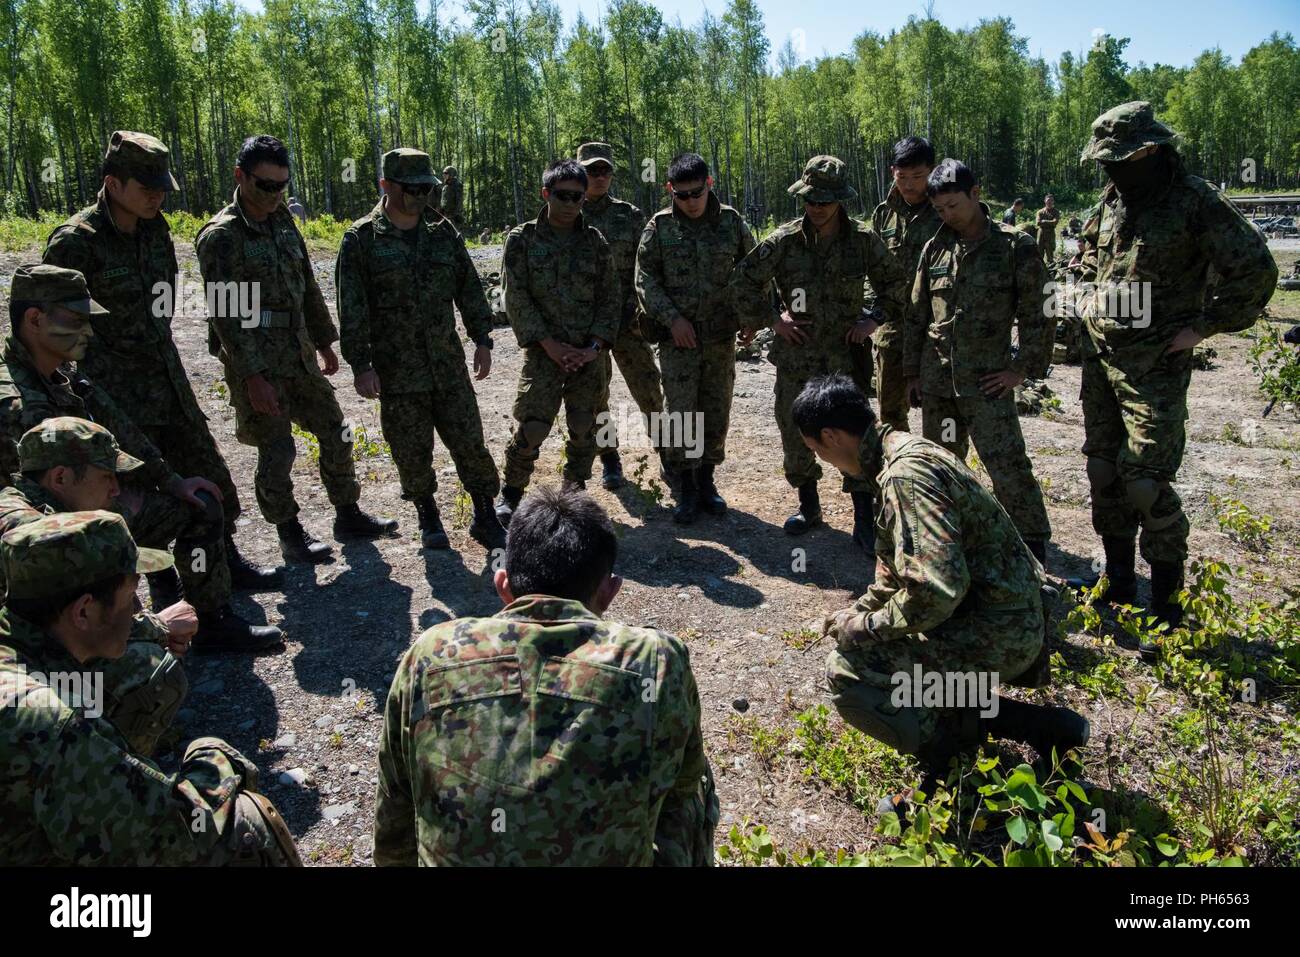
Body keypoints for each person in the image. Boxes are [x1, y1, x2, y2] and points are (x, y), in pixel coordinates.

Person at [374, 485, 717, 866]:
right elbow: (683, 786)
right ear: (610, 591)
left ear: (503, 585)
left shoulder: (431, 652)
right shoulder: (656, 658)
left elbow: (396, 803)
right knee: (696, 787)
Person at [795, 376, 1088, 787]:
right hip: (999, 614)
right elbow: (901, 576)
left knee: (851, 671)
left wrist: (863, 629)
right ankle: (1041, 726)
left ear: (830, 436)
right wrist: (858, 611)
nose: (822, 461)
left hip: (1000, 629)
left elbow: (934, 591)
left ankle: (954, 770)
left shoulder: (904, 477)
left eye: (816, 450)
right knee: (898, 655)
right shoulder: (903, 452)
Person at [1072, 101, 1277, 654]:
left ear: (1152, 150)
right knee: (1102, 472)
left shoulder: (1194, 201)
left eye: (1121, 159)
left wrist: (1204, 326)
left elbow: (1256, 270)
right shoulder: (1114, 197)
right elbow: (1092, 257)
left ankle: (1167, 604)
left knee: (1144, 481)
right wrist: (1085, 298)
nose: (1111, 170)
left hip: (1154, 365)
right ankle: (1116, 585)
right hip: (1102, 358)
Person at [42, 130, 280, 593]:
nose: (157, 197)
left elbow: (163, 304)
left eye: (161, 189)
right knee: (147, 496)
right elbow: (55, 337)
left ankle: (223, 568)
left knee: (211, 479)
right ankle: (168, 589)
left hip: (166, 380)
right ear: (113, 184)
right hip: (115, 397)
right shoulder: (76, 243)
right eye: (146, 188)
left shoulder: (155, 229)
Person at [1, 264, 281, 652]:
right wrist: (108, 512)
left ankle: (205, 616)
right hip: (50, 543)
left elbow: (124, 431)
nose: (89, 331)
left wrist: (171, 481)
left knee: (200, 506)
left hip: (98, 508)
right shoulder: (11, 402)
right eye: (77, 319)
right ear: (34, 319)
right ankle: (135, 642)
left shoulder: (63, 374)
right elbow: (26, 503)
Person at [0, 510, 300, 865]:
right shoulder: (50, 721)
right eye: (131, 597)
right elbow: (173, 831)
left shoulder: (21, 641)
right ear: (83, 612)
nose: (137, 611)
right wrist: (216, 758)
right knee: (244, 823)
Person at [196, 134, 398, 564]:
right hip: (257, 362)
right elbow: (227, 318)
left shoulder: (283, 220)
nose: (273, 195)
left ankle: (347, 513)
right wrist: (252, 377)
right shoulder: (222, 237)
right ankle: (289, 532)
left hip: (297, 353)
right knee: (278, 449)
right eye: (264, 185)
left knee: (337, 429)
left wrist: (325, 342)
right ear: (240, 177)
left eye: (280, 186)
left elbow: (306, 282)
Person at [730, 155, 914, 551]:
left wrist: (873, 320)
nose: (816, 208)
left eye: (825, 202)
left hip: (845, 358)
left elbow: (898, 284)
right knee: (795, 432)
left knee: (857, 435)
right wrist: (773, 320)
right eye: (811, 200)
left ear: (840, 201)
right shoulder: (784, 241)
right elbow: (743, 281)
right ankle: (809, 504)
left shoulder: (863, 241)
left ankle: (864, 516)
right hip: (797, 358)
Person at [336, 148, 506, 551]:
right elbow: (352, 309)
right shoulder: (361, 240)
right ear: (387, 186)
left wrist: (482, 338)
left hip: (447, 364)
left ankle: (484, 514)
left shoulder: (442, 232)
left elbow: (468, 287)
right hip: (398, 371)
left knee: (470, 440)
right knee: (411, 448)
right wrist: (361, 364)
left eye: (427, 188)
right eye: (413, 188)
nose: (422, 196)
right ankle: (428, 516)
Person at [0, 417, 197, 754]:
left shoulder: (27, 502)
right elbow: (66, 626)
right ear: (60, 477)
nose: (116, 488)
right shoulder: (35, 530)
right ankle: (107, 764)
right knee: (147, 668)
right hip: (15, 671)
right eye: (106, 476)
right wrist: (159, 628)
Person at [905, 159, 1054, 564]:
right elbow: (917, 315)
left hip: (987, 383)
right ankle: (949, 547)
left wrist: (1021, 369)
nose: (947, 215)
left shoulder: (1014, 246)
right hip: (938, 384)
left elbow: (1040, 314)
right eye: (939, 209)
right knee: (941, 467)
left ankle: (1034, 552)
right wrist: (911, 373)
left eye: (953, 205)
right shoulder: (935, 247)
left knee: (1007, 466)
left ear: (976, 194)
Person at [494, 158, 619, 524]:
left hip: (586, 354)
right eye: (562, 196)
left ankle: (573, 490)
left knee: (584, 423)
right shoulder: (522, 240)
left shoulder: (594, 242)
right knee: (533, 427)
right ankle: (511, 493)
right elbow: (514, 296)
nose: (570, 204)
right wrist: (549, 344)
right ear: (546, 194)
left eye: (577, 197)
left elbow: (610, 297)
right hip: (543, 353)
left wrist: (593, 347)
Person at [635, 151, 754, 524]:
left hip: (719, 339)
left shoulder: (731, 223)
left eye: (696, 193)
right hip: (679, 341)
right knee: (682, 413)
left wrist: (751, 316)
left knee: (716, 410)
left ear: (710, 185)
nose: (689, 201)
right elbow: (644, 280)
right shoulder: (659, 227)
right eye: (680, 194)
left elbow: (752, 269)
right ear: (670, 189)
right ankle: (686, 486)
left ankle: (707, 481)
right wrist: (672, 320)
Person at [576, 141, 666, 490]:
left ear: (612, 174)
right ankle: (609, 458)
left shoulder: (629, 215)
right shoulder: (569, 213)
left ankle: (668, 453)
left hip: (629, 319)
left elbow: (648, 266)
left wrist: (641, 307)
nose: (598, 177)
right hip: (587, 324)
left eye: (604, 171)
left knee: (649, 386)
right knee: (597, 393)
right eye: (590, 171)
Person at [869, 135, 942, 433]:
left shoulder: (946, 210)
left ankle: (940, 477)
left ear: (932, 172)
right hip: (892, 333)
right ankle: (900, 475)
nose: (909, 185)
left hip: (935, 333)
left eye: (918, 177)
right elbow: (871, 271)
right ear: (892, 172)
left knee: (941, 419)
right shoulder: (883, 215)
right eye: (902, 177)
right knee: (891, 416)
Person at [1035, 194, 1061, 260]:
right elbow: (1038, 223)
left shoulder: (1056, 212)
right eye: (1048, 200)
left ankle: (1051, 269)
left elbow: (1055, 222)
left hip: (1050, 235)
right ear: (1045, 201)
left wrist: (1044, 221)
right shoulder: (1040, 212)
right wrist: (1050, 222)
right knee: (1039, 256)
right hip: (1041, 235)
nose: (1049, 202)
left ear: (1053, 202)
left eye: (1051, 200)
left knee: (1050, 256)